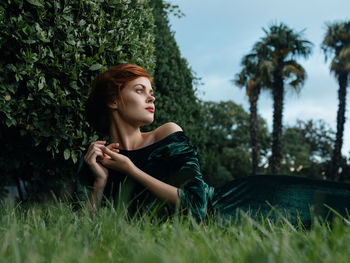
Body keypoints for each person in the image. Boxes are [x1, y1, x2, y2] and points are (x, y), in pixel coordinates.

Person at [75, 63, 350, 225]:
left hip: (240, 204)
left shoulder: (166, 135)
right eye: (139, 90)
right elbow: (86, 231)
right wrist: (99, 183)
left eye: (151, 92)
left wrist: (132, 170)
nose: (152, 99)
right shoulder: (97, 160)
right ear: (113, 100)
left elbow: (197, 206)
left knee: (335, 205)